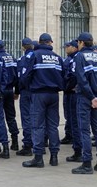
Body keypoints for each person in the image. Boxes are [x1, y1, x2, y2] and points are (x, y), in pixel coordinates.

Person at [20, 33, 65, 168]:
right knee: (53, 126)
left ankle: (38, 157)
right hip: (54, 95)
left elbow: (25, 75)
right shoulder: (57, 57)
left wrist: (29, 87)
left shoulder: (34, 55)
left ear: (39, 42)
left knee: (38, 125)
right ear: (50, 43)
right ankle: (54, 157)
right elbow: (63, 76)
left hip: (39, 94)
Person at [71, 32, 97, 174]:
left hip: (85, 98)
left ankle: (87, 163)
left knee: (85, 130)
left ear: (81, 43)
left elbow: (81, 79)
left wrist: (91, 97)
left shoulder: (80, 56)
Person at [0, 40, 20, 151]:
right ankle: (15, 142)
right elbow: (17, 76)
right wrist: (17, 91)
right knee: (11, 117)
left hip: (0, 91)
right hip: (10, 91)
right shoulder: (12, 57)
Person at [16, 38, 35, 156]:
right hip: (37, 91)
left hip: (27, 92)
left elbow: (22, 77)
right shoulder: (37, 56)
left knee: (27, 118)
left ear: (23, 47)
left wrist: (18, 90)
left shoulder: (24, 59)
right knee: (37, 118)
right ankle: (39, 144)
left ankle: (28, 145)